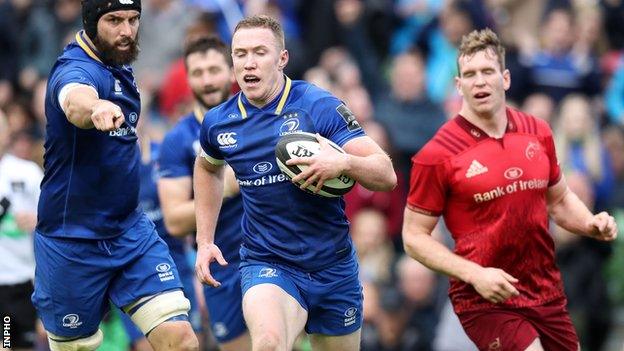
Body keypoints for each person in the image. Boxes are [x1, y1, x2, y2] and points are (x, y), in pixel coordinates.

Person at [402, 28, 618, 351]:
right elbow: (413, 237)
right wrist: (474, 274)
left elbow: (558, 201)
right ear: (459, 86)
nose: (479, 81)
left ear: (505, 79)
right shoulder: (438, 154)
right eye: (470, 75)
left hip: (544, 290)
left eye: (487, 72)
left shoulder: (538, 131)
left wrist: (589, 223)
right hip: (484, 297)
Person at [194, 15, 397, 351]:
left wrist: (342, 162)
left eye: (260, 52)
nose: (249, 63)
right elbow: (207, 167)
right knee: (269, 344)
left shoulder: (318, 106)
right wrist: (204, 239)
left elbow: (386, 174)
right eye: (240, 54)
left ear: (282, 58)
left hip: (333, 265)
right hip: (268, 261)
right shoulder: (219, 123)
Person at [31, 0, 198, 350]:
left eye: (133, 19)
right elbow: (74, 99)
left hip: (128, 233)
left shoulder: (118, 63)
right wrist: (95, 108)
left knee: (182, 341)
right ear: (91, 21)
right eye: (114, 20)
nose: (126, 31)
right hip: (71, 241)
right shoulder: (76, 68)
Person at [158, 36, 250, 350]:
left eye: (214, 70)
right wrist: (222, 186)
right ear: (188, 79)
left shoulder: (257, 119)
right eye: (198, 73)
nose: (207, 80)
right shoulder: (178, 140)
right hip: (222, 266)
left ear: (232, 73)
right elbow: (174, 221)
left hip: (273, 252)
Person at [0, 110, 43, 350]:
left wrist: (38, 219)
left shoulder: (27, 172)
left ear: (8, 133)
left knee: (23, 346)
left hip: (25, 281)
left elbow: (56, 217)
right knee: (3, 345)